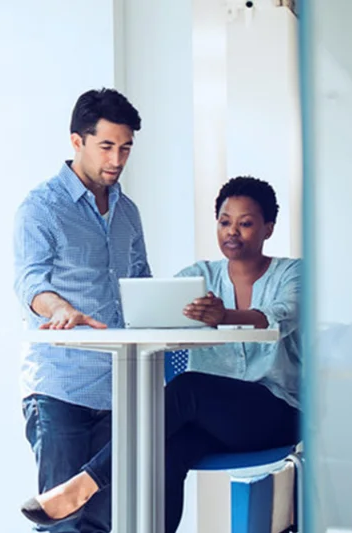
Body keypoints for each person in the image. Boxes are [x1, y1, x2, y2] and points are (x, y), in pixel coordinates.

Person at [19, 176, 302, 533]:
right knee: (165, 452)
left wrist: (225, 316)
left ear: (269, 228)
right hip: (215, 424)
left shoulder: (294, 273)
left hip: (276, 413)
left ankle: (85, 483)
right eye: (225, 221)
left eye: (246, 223)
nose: (233, 231)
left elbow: (282, 314)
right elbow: (154, 312)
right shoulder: (199, 277)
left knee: (187, 388)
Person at [12, 88, 150, 533]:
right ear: (77, 141)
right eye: (106, 146)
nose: (117, 159)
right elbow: (31, 281)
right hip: (61, 390)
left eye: (125, 147)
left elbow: (141, 285)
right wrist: (60, 308)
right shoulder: (42, 208)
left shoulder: (128, 212)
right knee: (64, 524)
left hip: (120, 390)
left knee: (109, 523)